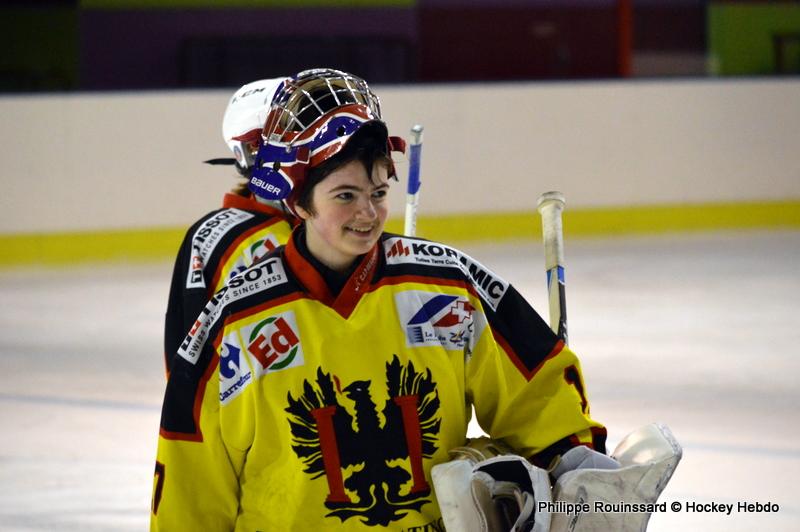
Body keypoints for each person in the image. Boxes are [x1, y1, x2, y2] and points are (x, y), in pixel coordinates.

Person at [151, 68, 607, 531]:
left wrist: (577, 468)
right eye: (345, 195)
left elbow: (540, 397)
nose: (368, 213)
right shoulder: (235, 318)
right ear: (300, 203)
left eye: (378, 192)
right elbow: (191, 474)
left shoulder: (449, 284)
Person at [163, 77, 296, 376]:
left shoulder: (336, 221)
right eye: (294, 134)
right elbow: (190, 356)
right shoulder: (221, 241)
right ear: (251, 149)